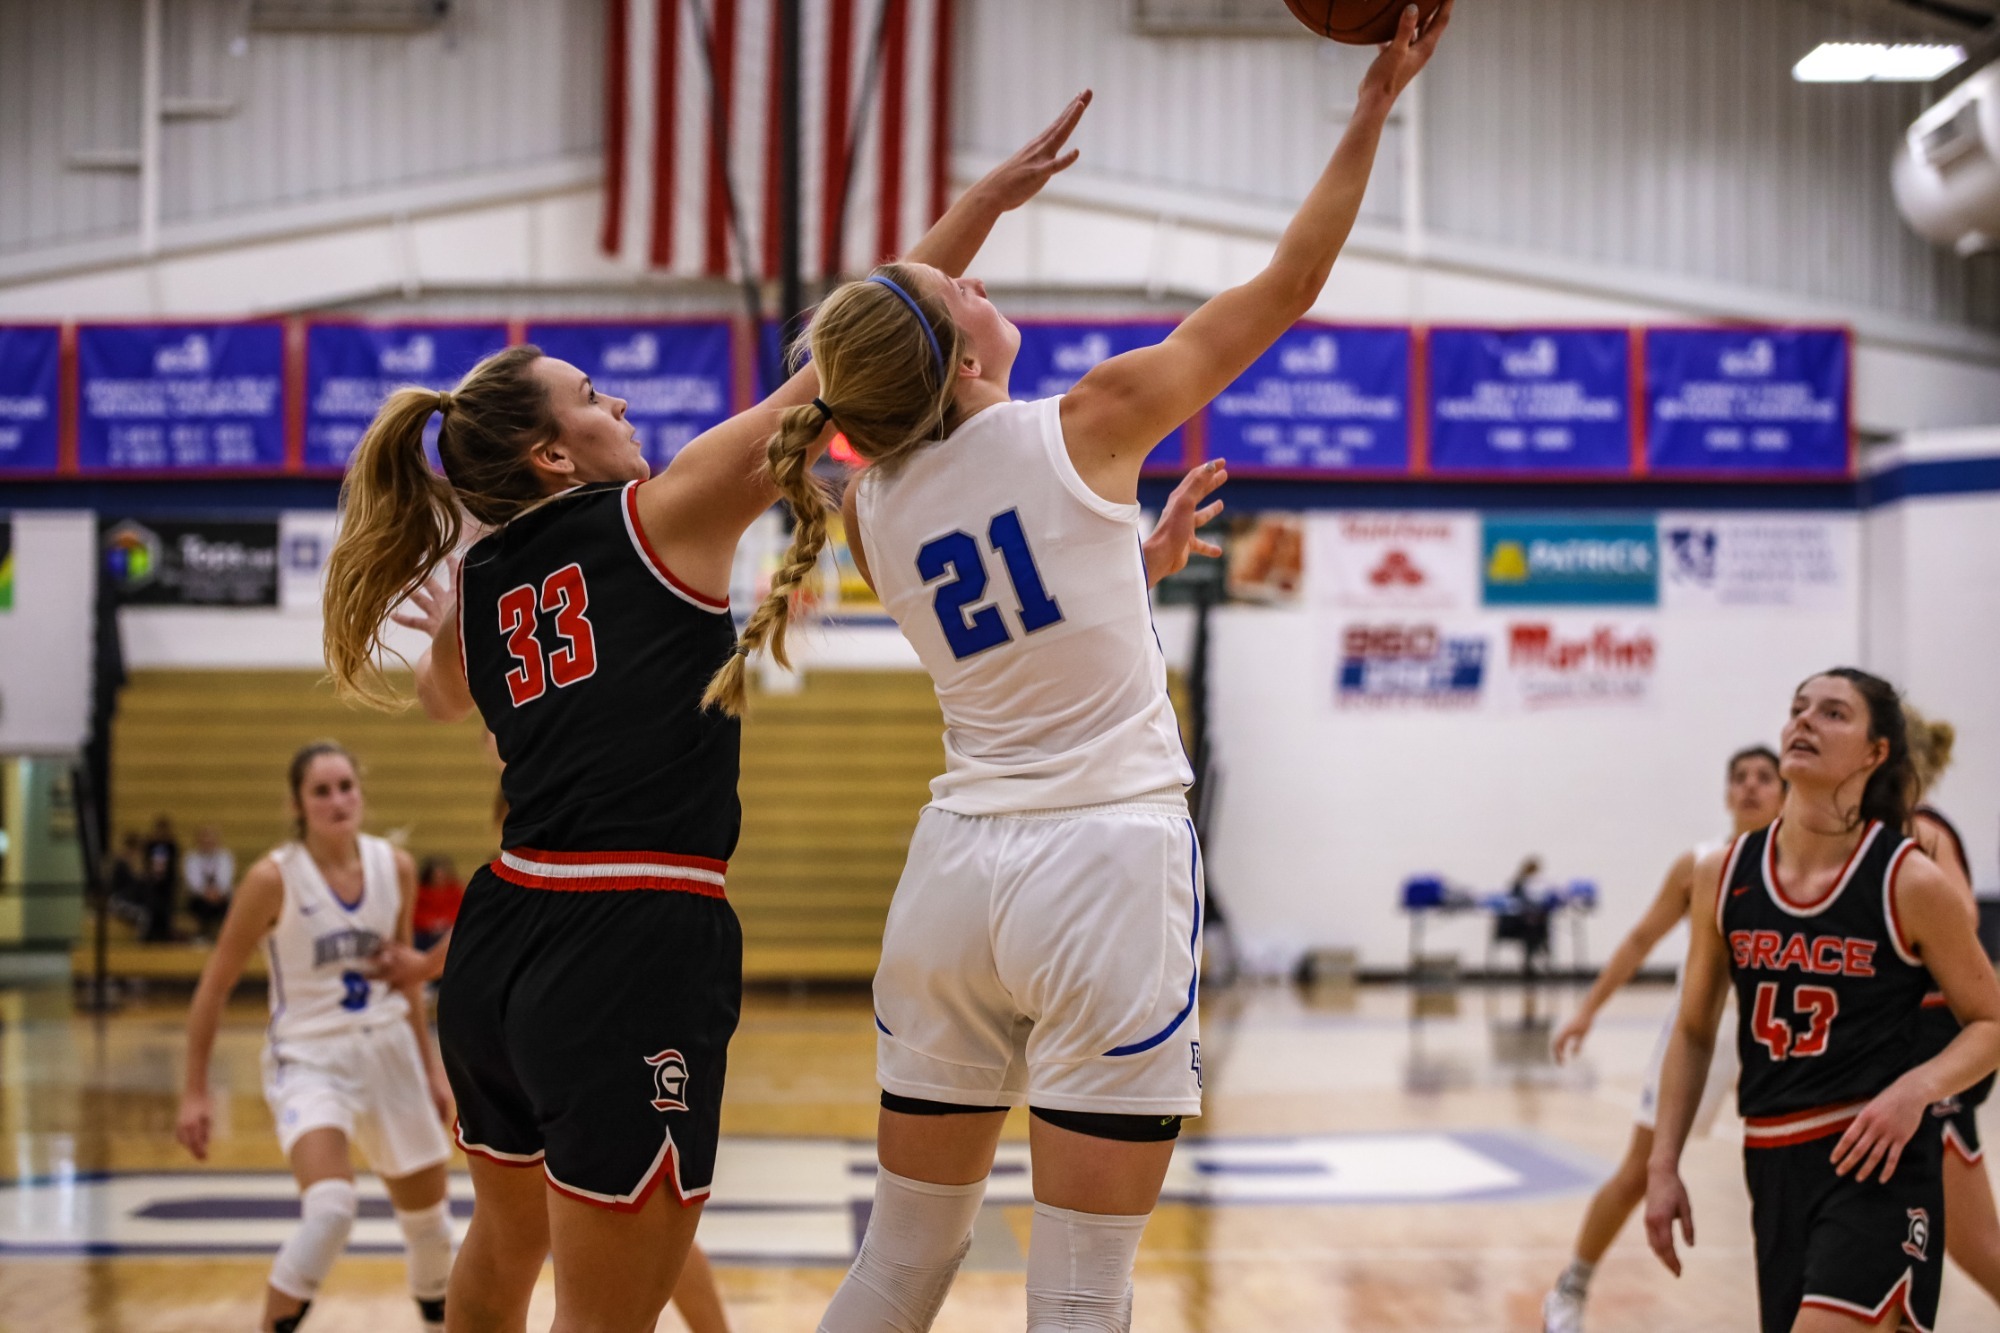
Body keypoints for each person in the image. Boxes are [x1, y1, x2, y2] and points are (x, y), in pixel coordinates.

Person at [698, 11, 1451, 1330]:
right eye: (970, 288)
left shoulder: (869, 504)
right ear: (965, 354)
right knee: (1084, 1291)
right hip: (1102, 863)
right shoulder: (1090, 423)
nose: (987, 282)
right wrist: (1375, 104)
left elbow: (871, 391)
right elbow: (1284, 288)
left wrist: (1131, 570)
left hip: (955, 879)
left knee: (899, 1263)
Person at [318, 103, 1099, 1333]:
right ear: (550, 459)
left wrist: (459, 618)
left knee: (502, 1246)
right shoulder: (664, 515)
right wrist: (985, 205)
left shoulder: (480, 581)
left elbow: (442, 696)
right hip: (625, 943)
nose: (617, 399)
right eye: (589, 395)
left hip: (501, 932)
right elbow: (863, 348)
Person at [1645, 669, 2000, 1333]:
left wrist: (1916, 1089)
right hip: (1773, 1158)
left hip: (1878, 1159)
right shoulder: (1722, 873)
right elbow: (1693, 1031)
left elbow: (1991, 1019)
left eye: (1833, 713)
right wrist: (1661, 1163)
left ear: (1875, 753)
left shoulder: (1907, 877)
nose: (1804, 721)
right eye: (1797, 708)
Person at [175, 742, 455, 1333]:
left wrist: (431, 1070)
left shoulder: (394, 867)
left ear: (362, 791)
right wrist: (195, 1091)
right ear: (297, 804)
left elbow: (405, 978)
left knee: (431, 1227)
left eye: (345, 786)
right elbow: (213, 988)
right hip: (309, 1057)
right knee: (329, 1211)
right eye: (321, 791)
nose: (337, 800)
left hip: (389, 1050)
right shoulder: (271, 878)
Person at [1541, 744, 1785, 1333]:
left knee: (1782, 1174)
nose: (1751, 786)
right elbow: (1639, 940)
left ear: (1785, 791)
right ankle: (1571, 1286)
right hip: (1701, 1033)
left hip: (1776, 1036)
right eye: (1740, 778)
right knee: (1641, 1169)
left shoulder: (1802, 863)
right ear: (1727, 793)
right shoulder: (1699, 864)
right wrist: (1586, 1012)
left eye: (1764, 777)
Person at [1903, 704, 2000, 1304]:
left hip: (1936, 1042)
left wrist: (1908, 919)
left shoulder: (1922, 829)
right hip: (1902, 1049)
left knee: (1973, 1243)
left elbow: (1961, 914)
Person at [184, 824, 236, 943]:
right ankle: (202, 934)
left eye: (210, 840)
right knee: (200, 904)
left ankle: (226, 936)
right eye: (204, 840)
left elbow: (226, 879)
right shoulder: (191, 858)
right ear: (198, 841)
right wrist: (206, 893)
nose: (207, 843)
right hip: (200, 898)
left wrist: (218, 892)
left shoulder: (225, 856)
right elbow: (193, 882)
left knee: (230, 901)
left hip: (220, 897)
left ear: (216, 841)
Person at [411, 855, 463, 953]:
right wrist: (430, 924)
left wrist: (445, 922)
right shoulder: (420, 891)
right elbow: (414, 914)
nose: (440, 877)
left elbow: (461, 911)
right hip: (424, 934)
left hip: (448, 931)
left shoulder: (455, 890)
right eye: (437, 874)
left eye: (442, 874)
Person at [142, 814, 181, 941]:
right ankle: (150, 933)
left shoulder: (172, 846)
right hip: (152, 883)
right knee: (151, 906)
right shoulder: (149, 845)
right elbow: (145, 863)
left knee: (165, 908)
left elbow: (174, 866)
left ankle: (165, 933)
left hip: (166, 883)